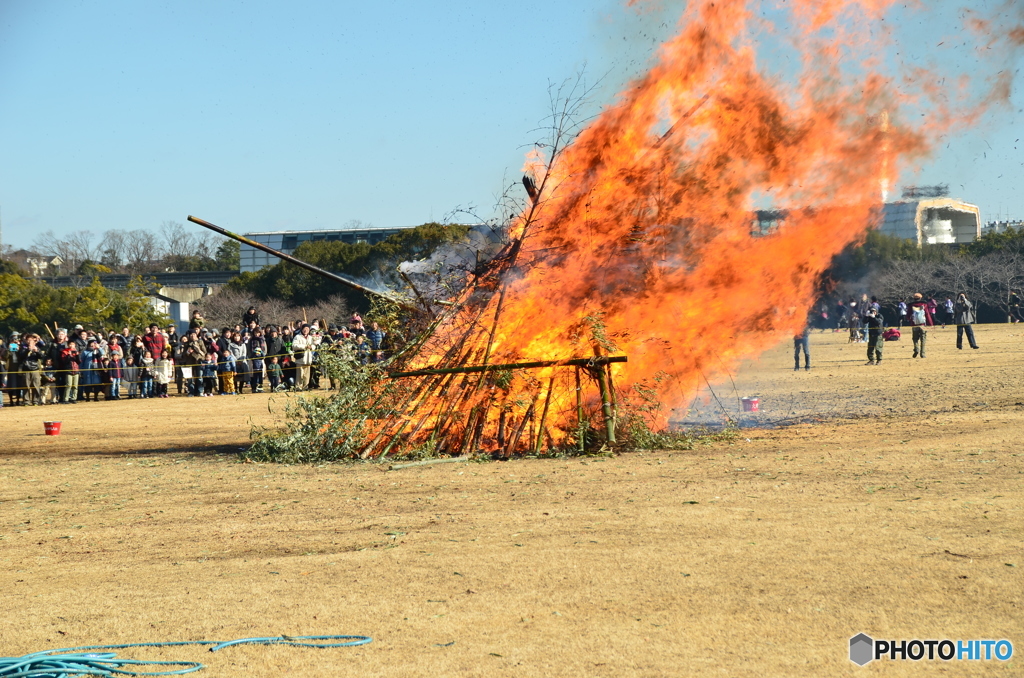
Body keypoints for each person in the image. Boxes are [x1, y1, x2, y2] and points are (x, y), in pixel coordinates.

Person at [906, 293, 934, 358]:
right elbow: (927, 314)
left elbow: (907, 316)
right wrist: (931, 324)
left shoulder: (911, 305)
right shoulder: (924, 304)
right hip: (923, 325)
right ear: (920, 298)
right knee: (923, 339)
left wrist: (911, 320)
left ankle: (916, 349)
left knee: (915, 338)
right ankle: (923, 354)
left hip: (914, 325)